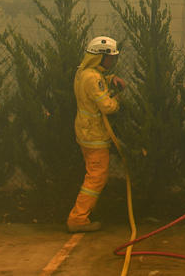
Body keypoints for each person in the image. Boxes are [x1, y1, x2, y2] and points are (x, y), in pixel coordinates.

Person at [66, 36, 126, 233]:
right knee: (96, 178)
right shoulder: (92, 78)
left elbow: (95, 84)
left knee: (93, 175)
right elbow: (108, 107)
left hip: (85, 132)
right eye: (110, 58)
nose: (112, 61)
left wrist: (109, 79)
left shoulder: (84, 72)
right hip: (95, 135)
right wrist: (117, 97)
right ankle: (78, 219)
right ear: (99, 57)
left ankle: (80, 216)